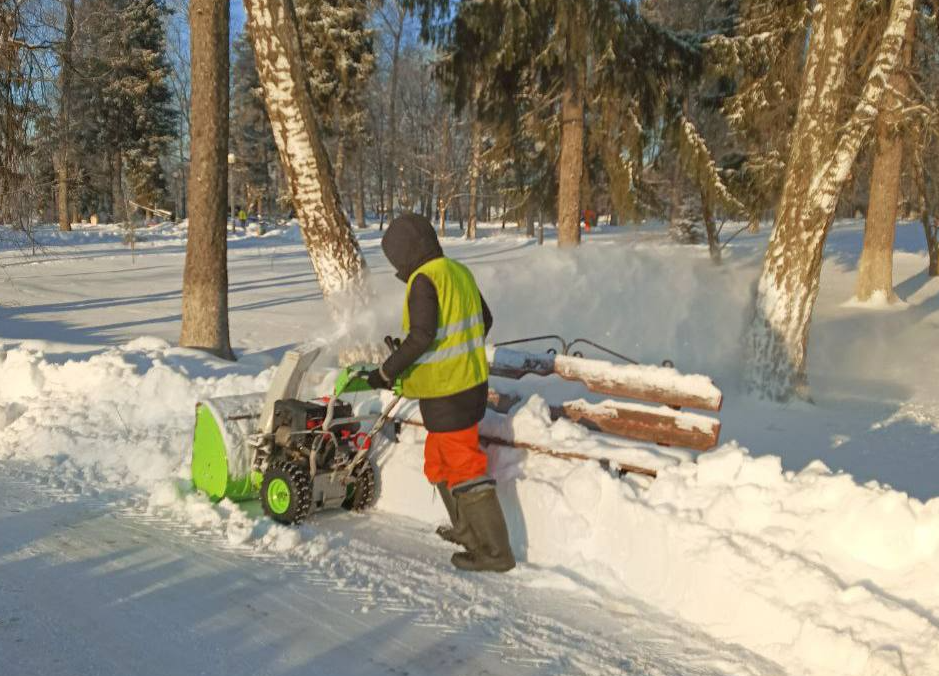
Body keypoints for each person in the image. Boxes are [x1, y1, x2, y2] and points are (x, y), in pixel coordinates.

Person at [367, 212, 516, 573]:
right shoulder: (456, 271)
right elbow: (485, 320)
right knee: (438, 461)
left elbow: (421, 337)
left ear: (403, 253)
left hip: (449, 393)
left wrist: (387, 371)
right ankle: (466, 531)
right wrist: (455, 351)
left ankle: (496, 553)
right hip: (467, 385)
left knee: (463, 466)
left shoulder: (423, 280)